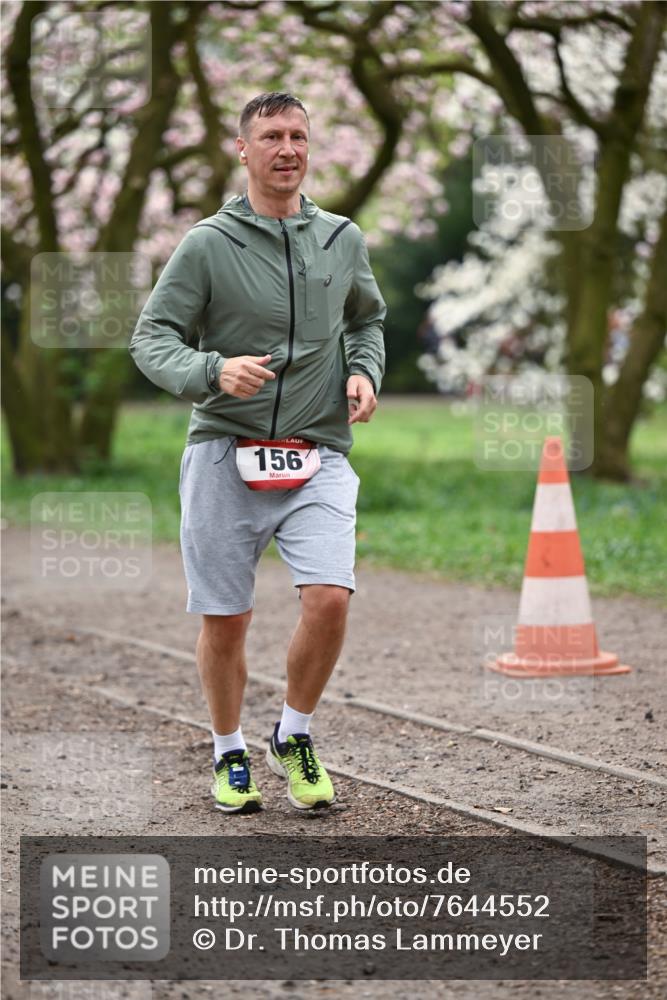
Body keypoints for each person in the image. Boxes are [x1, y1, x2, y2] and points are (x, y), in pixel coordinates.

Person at [130, 92, 385, 814]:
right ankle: (228, 750)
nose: (287, 149)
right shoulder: (208, 243)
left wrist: (364, 371)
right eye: (271, 136)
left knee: (329, 599)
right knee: (226, 618)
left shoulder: (341, 238)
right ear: (243, 149)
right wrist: (212, 370)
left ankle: (293, 735)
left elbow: (366, 320)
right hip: (225, 453)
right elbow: (151, 339)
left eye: (298, 135)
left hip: (317, 450)